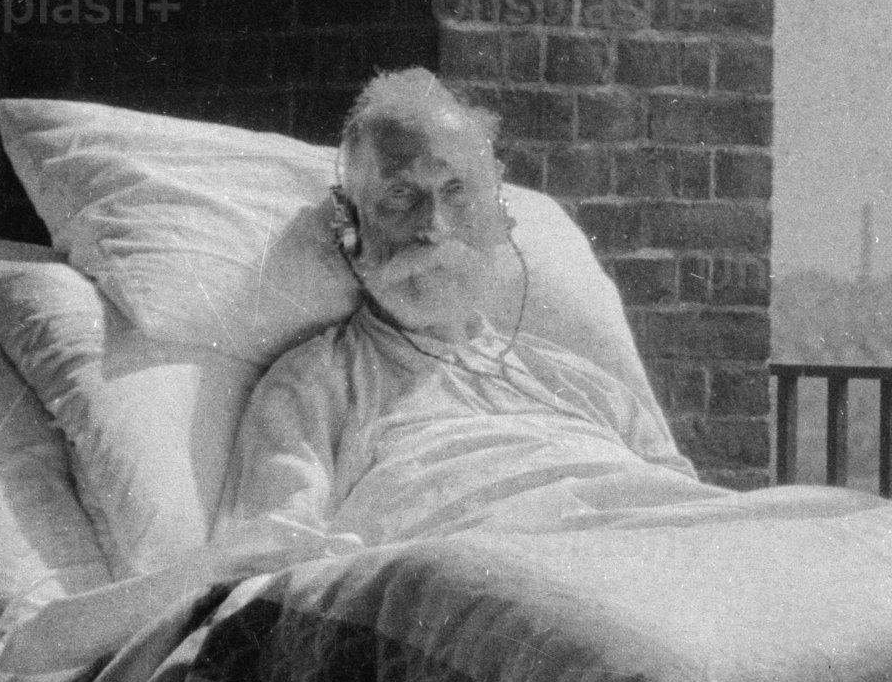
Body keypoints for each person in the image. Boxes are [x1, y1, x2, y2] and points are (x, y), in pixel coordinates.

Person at [214, 67, 692, 545]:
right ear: (351, 225)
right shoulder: (315, 387)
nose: (434, 228)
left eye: (457, 191)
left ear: (497, 207)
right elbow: (270, 560)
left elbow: (702, 512)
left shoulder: (585, 385)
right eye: (400, 195)